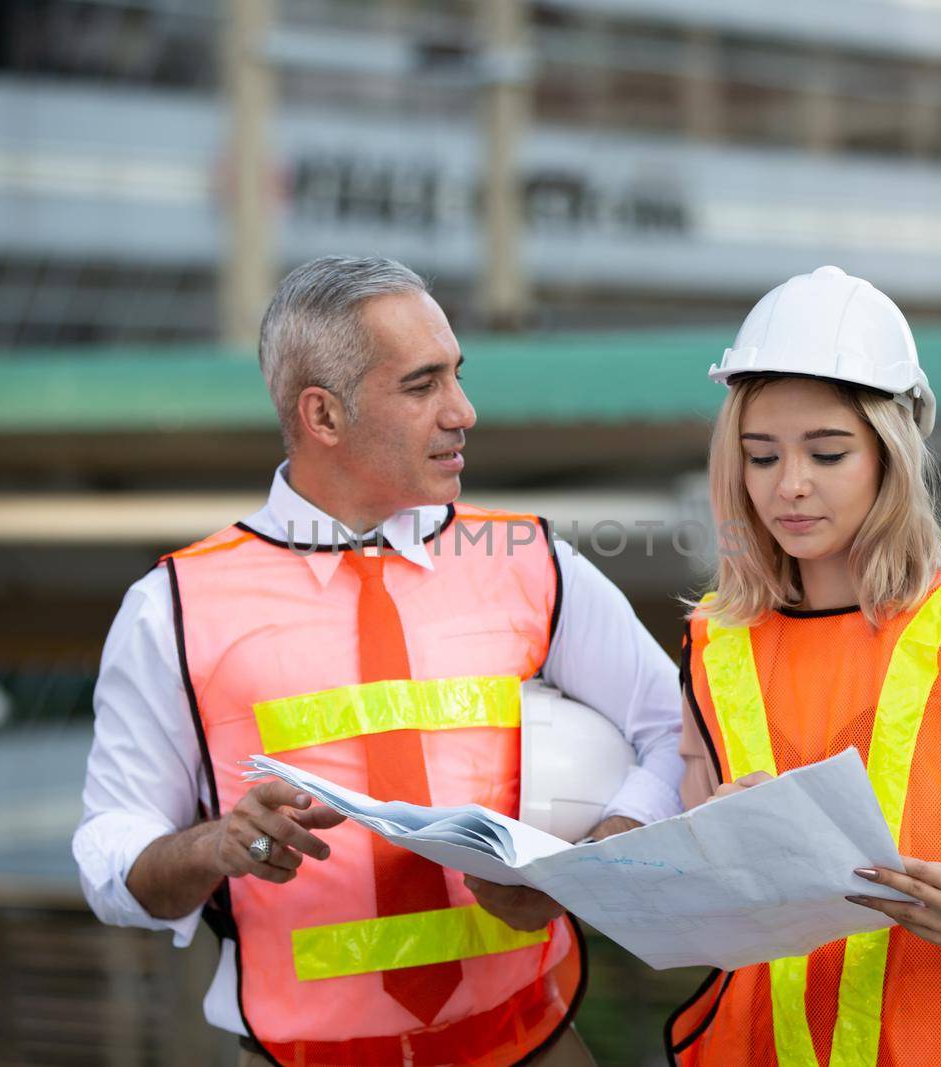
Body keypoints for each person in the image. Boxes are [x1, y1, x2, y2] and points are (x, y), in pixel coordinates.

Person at [72, 256, 683, 1067]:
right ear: (323, 415)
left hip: (535, 1046)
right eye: (422, 385)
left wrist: (588, 862)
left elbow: (680, 728)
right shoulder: (173, 607)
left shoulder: (533, 558)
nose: (463, 410)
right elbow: (110, 850)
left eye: (457, 375)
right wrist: (214, 846)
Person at [665, 267, 941, 1067]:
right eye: (761, 457)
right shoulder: (715, 639)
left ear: (890, 456)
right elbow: (701, 914)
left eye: (827, 453)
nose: (789, 486)